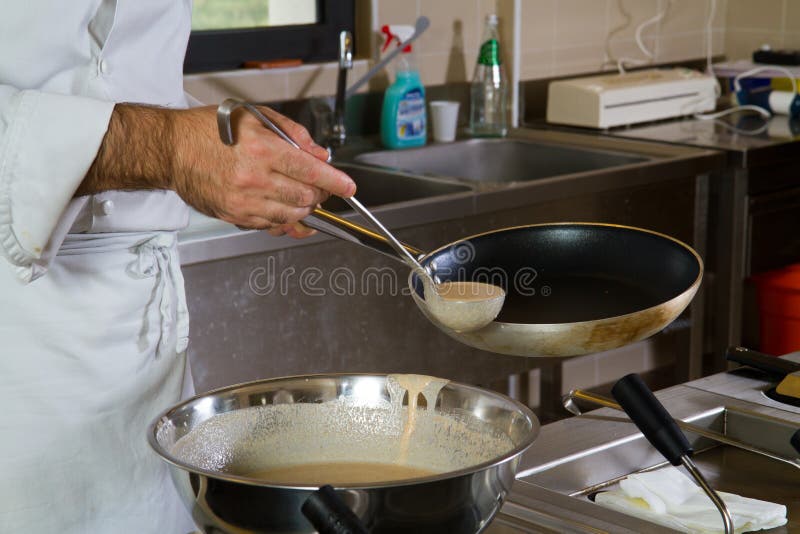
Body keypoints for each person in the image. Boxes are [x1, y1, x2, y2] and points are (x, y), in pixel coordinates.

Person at [0, 2, 355, 532]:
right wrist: (172, 148)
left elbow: (108, 79)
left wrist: (217, 139)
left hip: (145, 359)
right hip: (22, 352)